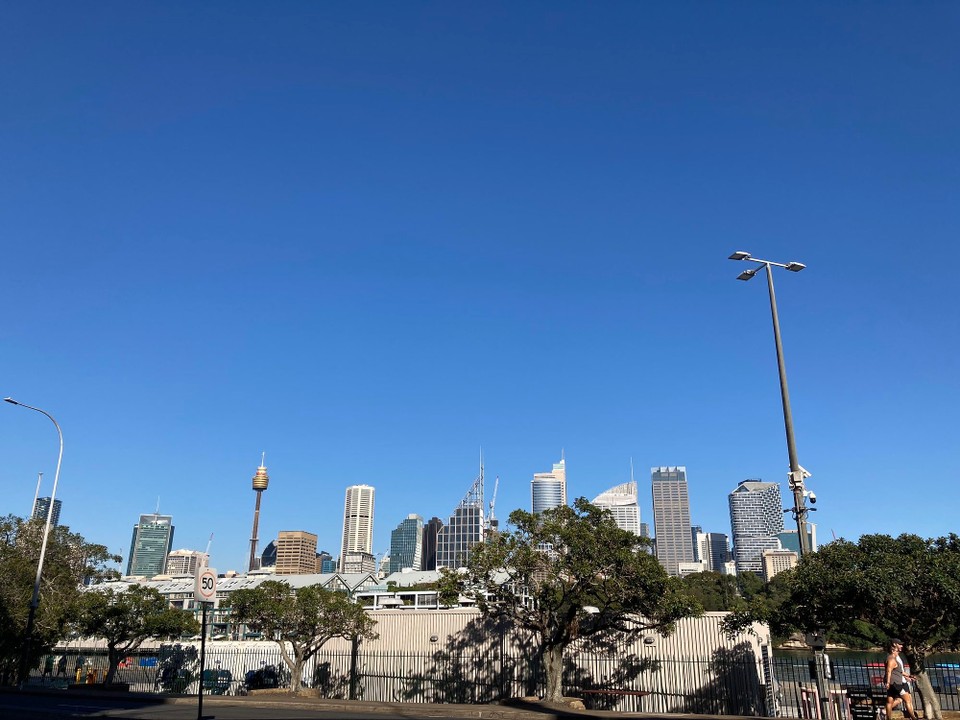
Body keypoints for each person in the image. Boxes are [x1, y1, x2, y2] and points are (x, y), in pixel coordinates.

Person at [886, 638, 921, 720]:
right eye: (900, 645)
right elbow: (888, 671)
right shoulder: (892, 659)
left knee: (890, 701)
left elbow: (900, 671)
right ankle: (914, 718)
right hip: (896, 683)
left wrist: (908, 676)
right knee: (908, 700)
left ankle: (887, 717)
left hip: (895, 682)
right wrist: (887, 682)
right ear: (894, 647)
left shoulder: (894, 657)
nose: (901, 646)